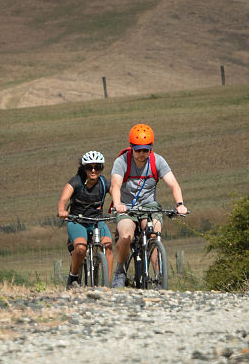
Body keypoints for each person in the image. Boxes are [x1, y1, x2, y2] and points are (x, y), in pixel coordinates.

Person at [109, 123, 188, 287]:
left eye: (146, 149)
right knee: (125, 236)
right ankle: (120, 270)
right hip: (126, 207)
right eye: (138, 150)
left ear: (151, 148)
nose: (142, 154)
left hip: (149, 207)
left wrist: (180, 204)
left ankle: (159, 276)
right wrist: (117, 204)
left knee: (154, 234)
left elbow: (173, 184)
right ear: (131, 147)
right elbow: (115, 185)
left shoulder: (157, 161)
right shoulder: (122, 161)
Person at [57, 150, 114, 287]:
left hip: (96, 221)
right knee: (81, 248)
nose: (93, 170)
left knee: (108, 245)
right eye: (89, 167)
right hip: (77, 221)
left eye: (97, 167)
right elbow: (63, 200)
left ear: (102, 168)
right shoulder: (76, 182)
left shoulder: (104, 183)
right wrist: (61, 210)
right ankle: (73, 277)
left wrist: (119, 205)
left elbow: (117, 197)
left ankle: (108, 284)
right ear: (84, 168)